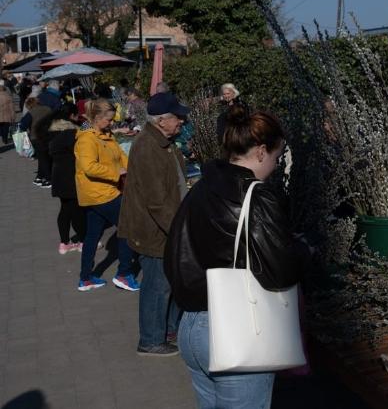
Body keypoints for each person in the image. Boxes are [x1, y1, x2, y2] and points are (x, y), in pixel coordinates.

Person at [165, 108, 303, 409]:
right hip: (236, 333)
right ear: (261, 151)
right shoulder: (257, 195)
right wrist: (303, 251)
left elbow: (174, 252)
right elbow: (281, 271)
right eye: (277, 158)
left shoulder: (202, 186)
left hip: (190, 326)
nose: (276, 166)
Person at [119, 92, 188, 358]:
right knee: (157, 286)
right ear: (161, 120)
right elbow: (157, 200)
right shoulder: (148, 146)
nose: (181, 120)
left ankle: (168, 331)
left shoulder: (163, 141)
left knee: (168, 283)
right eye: (176, 117)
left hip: (165, 226)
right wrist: (179, 230)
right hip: (155, 230)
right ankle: (150, 339)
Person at [74, 99, 138, 292]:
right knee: (128, 227)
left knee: (92, 235)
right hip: (101, 193)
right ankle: (124, 274)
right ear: (97, 118)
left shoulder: (105, 134)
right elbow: (89, 167)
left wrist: (133, 169)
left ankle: (85, 279)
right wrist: (116, 173)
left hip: (101, 193)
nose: (111, 123)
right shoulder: (87, 138)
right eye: (108, 120)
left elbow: (120, 156)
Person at [47, 104, 86, 254]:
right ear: (71, 116)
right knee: (77, 211)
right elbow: (89, 133)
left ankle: (64, 243)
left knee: (65, 209)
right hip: (71, 176)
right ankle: (83, 241)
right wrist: (87, 119)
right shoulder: (71, 132)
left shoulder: (52, 130)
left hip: (58, 175)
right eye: (77, 115)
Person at [28, 98, 54, 188]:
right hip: (49, 135)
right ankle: (39, 177)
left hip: (36, 137)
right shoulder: (48, 109)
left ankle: (48, 179)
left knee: (43, 159)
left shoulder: (31, 112)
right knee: (46, 157)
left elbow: (23, 124)